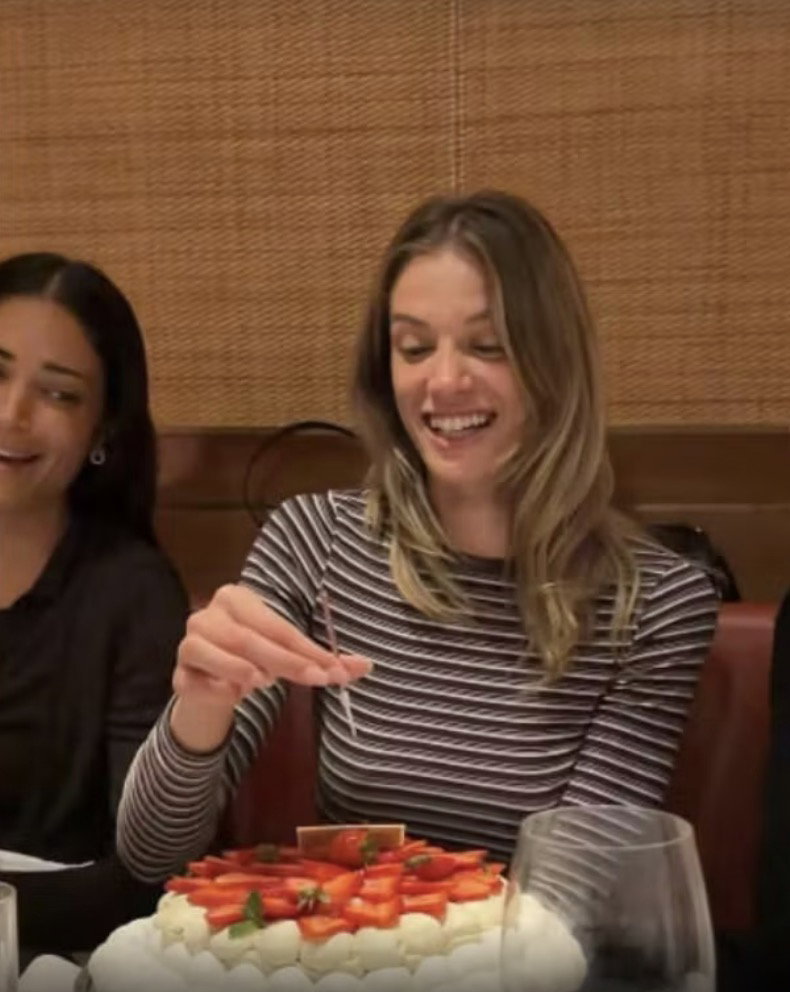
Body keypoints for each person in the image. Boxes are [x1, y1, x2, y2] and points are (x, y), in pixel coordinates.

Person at [116, 190, 719, 885]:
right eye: (414, 347)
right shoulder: (316, 540)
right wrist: (201, 705)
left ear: (555, 363)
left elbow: (574, 894)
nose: (445, 380)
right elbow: (149, 854)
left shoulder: (657, 603)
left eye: (488, 346)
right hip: (347, 941)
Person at [0, 252, 189, 956]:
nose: (11, 414)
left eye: (57, 394)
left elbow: (144, 878)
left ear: (102, 431)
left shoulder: (133, 594)